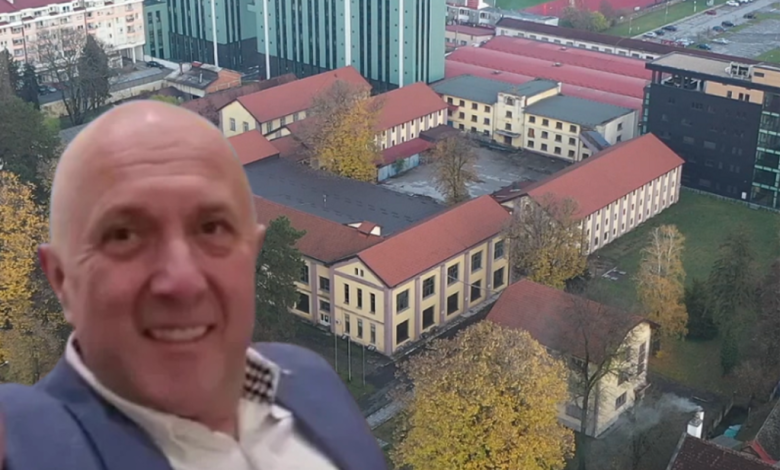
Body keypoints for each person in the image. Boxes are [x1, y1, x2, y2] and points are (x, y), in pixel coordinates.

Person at [0, 101, 386, 470]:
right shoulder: (31, 443)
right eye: (123, 235)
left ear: (251, 255)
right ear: (62, 279)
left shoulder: (309, 377)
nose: (181, 280)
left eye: (212, 228)